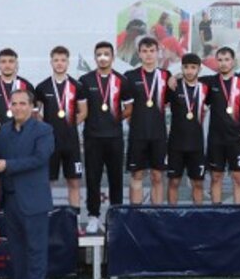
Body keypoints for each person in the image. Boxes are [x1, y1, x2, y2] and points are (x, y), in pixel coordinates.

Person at [0, 89, 55, 279]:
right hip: (10, 199)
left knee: (36, 250)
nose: (18, 107)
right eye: (14, 103)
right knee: (16, 249)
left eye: (22, 103)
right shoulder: (3, 131)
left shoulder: (44, 130)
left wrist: (7, 165)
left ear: (31, 106)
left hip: (33, 200)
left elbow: (40, 158)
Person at [79, 41, 131, 233]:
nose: (103, 57)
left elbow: (129, 108)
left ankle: (115, 216)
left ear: (112, 57)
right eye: (99, 54)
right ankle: (93, 216)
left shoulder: (122, 80)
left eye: (106, 54)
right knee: (93, 178)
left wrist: (115, 119)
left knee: (116, 178)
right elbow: (82, 109)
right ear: (95, 57)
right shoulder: (85, 80)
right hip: (92, 137)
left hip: (115, 137)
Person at [34, 46, 87, 217]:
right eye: (56, 60)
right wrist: (46, 127)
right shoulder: (42, 87)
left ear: (68, 62)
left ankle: (75, 221)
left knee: (74, 182)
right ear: (51, 62)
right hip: (50, 143)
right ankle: (46, 219)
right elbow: (35, 113)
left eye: (63, 60)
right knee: (47, 182)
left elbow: (83, 112)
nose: (59, 63)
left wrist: (69, 125)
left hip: (71, 142)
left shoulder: (77, 86)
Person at [205, 47, 240, 204]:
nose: (223, 63)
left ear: (233, 61)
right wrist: (174, 78)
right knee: (216, 177)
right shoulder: (210, 82)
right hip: (216, 139)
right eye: (220, 60)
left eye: (227, 60)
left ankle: (239, 214)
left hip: (237, 140)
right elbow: (190, 79)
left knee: (238, 178)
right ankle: (216, 213)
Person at [0, 48, 36, 207]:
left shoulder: (26, 85)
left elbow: (33, 117)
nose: (7, 65)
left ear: (16, 64)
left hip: (21, 142)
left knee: (21, 182)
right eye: (3, 61)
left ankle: (23, 214)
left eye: (11, 61)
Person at [123, 36, 171, 205]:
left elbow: (171, 101)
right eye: (145, 51)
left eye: (152, 51)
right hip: (138, 134)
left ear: (158, 53)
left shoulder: (166, 76)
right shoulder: (129, 76)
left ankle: (156, 213)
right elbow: (127, 107)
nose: (149, 54)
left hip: (158, 135)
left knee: (157, 175)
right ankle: (136, 213)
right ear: (139, 54)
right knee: (137, 175)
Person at [167, 53, 209, 204]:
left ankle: (197, 216)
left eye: (193, 67)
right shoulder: (173, 86)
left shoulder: (205, 88)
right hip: (176, 145)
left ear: (199, 69)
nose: (189, 71)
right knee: (174, 182)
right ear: (181, 68)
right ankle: (172, 215)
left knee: (198, 184)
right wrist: (173, 77)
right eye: (186, 67)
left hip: (196, 145)